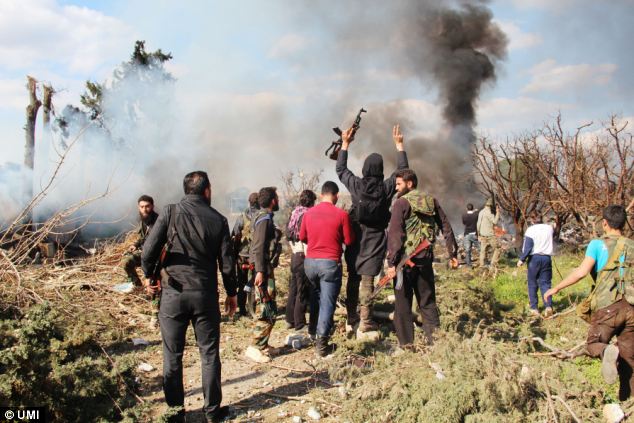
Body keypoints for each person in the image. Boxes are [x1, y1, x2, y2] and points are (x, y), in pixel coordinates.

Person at [141, 171, 237, 423]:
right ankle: (212, 413)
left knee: (172, 355)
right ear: (207, 190)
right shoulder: (219, 220)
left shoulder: (170, 212)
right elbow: (227, 264)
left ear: (186, 190)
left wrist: (151, 277)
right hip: (205, 295)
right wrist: (232, 293)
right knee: (209, 354)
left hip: (173, 294)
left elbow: (148, 252)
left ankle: (175, 415)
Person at [544, 205, 634, 400]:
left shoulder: (597, 244)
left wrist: (556, 288)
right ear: (624, 223)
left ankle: (607, 350)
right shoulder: (632, 246)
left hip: (608, 306)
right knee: (629, 360)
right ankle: (627, 401)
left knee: (593, 344)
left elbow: (581, 272)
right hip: (631, 309)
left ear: (605, 223)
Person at [336, 124, 409, 334]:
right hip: (375, 238)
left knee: (352, 277)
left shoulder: (356, 185)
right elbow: (403, 171)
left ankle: (351, 316)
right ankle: (366, 319)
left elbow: (341, 170)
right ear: (380, 170)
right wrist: (399, 145)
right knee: (367, 280)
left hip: (356, 237)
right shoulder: (386, 188)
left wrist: (345, 143)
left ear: (365, 169)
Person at [386, 169, 458, 347]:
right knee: (427, 301)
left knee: (402, 304)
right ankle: (435, 341)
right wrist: (453, 254)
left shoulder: (401, 203)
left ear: (409, 184)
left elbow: (395, 235)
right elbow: (446, 227)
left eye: (399, 184)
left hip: (403, 263)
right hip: (425, 259)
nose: (396, 188)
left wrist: (391, 263)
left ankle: (406, 345)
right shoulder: (431, 201)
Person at [300, 181, 354, 357]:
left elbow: (302, 237)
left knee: (315, 298)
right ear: (336, 196)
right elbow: (349, 241)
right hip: (329, 263)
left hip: (310, 263)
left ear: (321, 194)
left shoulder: (308, 214)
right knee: (327, 302)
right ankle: (322, 346)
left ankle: (312, 331)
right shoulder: (342, 215)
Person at [244, 187, 281, 363]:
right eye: (277, 197)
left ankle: (263, 344)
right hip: (262, 270)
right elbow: (258, 247)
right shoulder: (264, 219)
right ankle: (255, 347)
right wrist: (259, 271)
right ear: (273, 200)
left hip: (263, 268)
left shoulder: (261, 217)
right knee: (265, 307)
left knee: (270, 306)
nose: (279, 200)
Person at [286, 189, 318, 333]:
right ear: (311, 201)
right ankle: (299, 324)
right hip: (302, 255)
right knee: (302, 290)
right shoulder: (307, 215)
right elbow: (306, 238)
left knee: (293, 288)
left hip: (294, 255)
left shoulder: (295, 213)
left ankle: (289, 319)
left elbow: (289, 235)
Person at [517, 212, 555, 318]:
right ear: (541, 219)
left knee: (532, 283)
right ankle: (548, 306)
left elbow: (528, 247)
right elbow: (553, 229)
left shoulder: (530, 230)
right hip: (547, 258)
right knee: (546, 283)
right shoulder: (549, 228)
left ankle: (534, 308)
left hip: (534, 259)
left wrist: (521, 259)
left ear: (532, 220)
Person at [231, 192, 260, 317]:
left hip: (243, 255)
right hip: (256, 255)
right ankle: (255, 309)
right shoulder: (262, 216)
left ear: (249, 202)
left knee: (242, 282)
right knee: (256, 283)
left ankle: (242, 309)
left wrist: (235, 253)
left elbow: (235, 235)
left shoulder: (241, 217)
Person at [120, 194, 158, 289]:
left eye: (147, 206)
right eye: (142, 207)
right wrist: (136, 245)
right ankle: (137, 285)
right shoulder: (144, 220)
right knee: (126, 261)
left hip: (155, 256)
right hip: (145, 252)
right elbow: (143, 237)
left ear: (152, 206)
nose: (144, 210)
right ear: (139, 207)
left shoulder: (159, 222)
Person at [477, 198, 501, 268]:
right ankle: (493, 265)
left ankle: (482, 265)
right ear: (491, 206)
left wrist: (478, 234)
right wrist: (498, 212)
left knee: (483, 251)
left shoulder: (481, 212)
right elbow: (495, 222)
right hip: (490, 235)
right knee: (497, 248)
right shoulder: (489, 213)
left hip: (482, 235)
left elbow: (478, 224)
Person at [462, 203, 479, 267]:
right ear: (473, 208)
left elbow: (464, 223)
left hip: (467, 234)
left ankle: (469, 265)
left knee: (467, 250)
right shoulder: (476, 215)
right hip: (474, 234)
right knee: (480, 249)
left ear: (466, 208)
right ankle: (484, 262)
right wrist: (474, 211)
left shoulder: (464, 215)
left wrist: (473, 211)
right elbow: (474, 214)